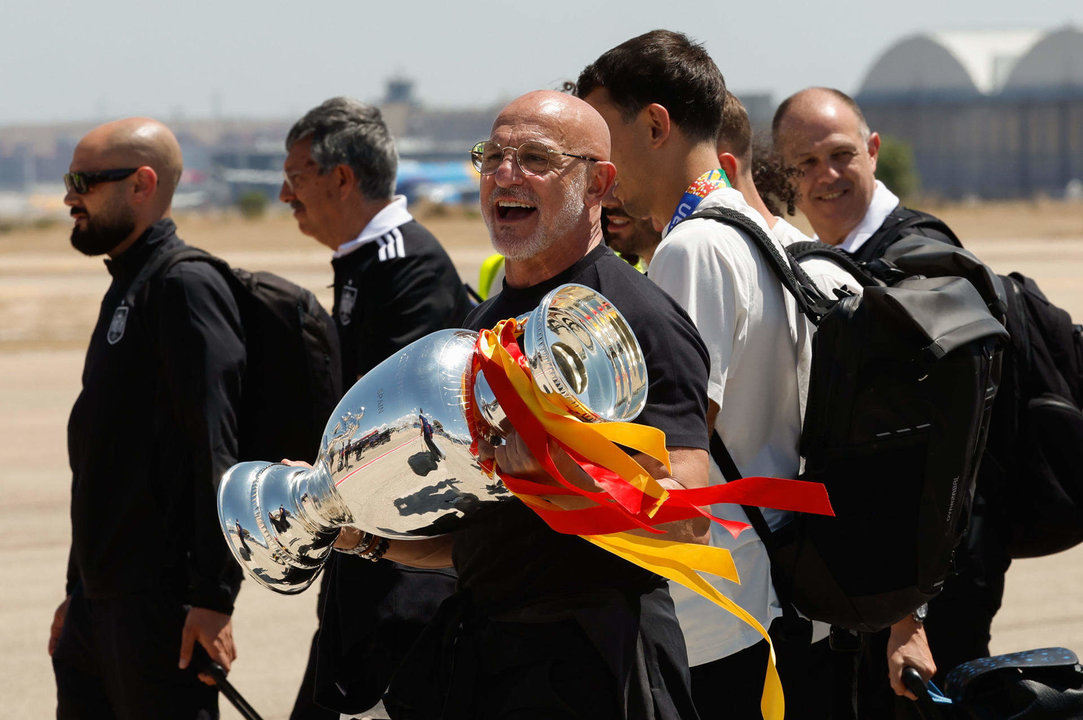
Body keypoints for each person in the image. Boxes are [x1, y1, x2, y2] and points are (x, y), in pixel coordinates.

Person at [335, 88, 712, 719]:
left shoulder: (636, 319)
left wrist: (564, 478)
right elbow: (481, 543)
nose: (506, 175)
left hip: (596, 667)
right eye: (494, 157)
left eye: (536, 159)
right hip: (485, 658)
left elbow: (689, 514)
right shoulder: (479, 327)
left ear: (599, 183)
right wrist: (363, 534)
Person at [577, 29, 865, 719]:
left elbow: (675, 439)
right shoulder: (777, 237)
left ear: (654, 125)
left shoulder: (694, 246)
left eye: (603, 143)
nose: (598, 171)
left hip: (720, 611)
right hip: (791, 589)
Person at [773, 86, 1008, 715]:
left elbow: (940, 449)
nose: (825, 176)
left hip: (935, 574)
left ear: (873, 150)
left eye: (840, 154)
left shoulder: (917, 266)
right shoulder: (830, 267)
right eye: (804, 164)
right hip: (886, 569)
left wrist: (913, 615)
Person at [49, 118, 245, 719]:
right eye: (68, 179)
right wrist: (77, 593)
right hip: (99, 605)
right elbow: (104, 456)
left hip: (160, 611)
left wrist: (213, 599)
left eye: (84, 181)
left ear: (142, 184)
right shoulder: (128, 282)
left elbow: (215, 448)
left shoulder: (184, 285)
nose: (69, 197)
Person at [279, 97, 468, 719]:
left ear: (340, 178)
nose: (285, 195)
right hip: (363, 566)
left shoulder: (408, 266)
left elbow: (394, 438)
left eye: (297, 177)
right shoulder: (366, 263)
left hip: (403, 581)